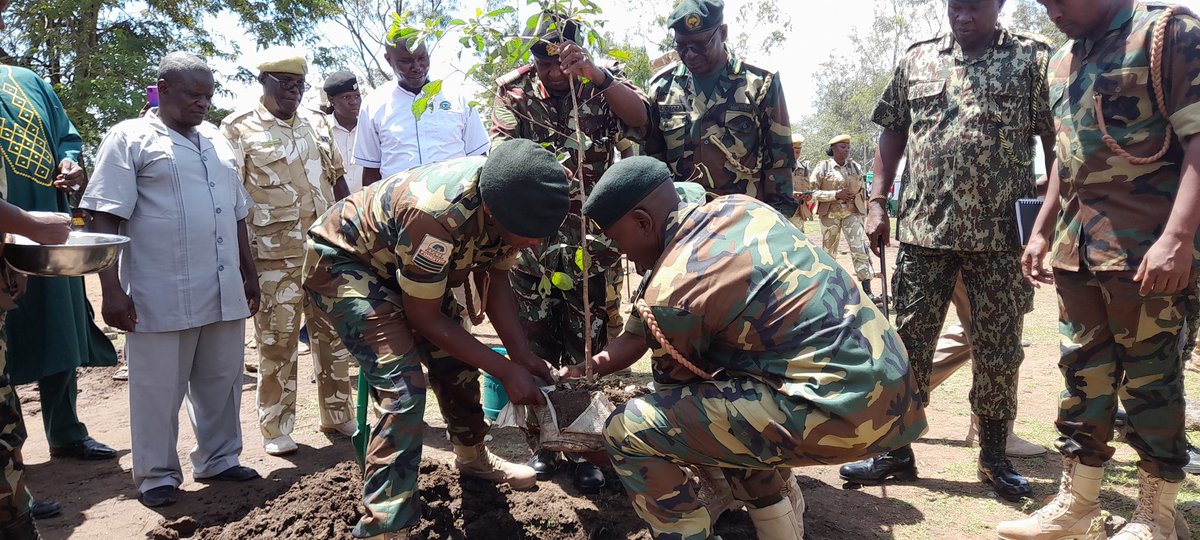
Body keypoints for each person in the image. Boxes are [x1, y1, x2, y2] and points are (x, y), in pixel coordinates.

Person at [569, 156, 926, 540]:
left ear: (643, 221)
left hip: (842, 418)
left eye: (618, 238)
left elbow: (679, 400)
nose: (622, 252)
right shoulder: (738, 208)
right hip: (896, 394)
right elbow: (645, 333)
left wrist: (598, 448)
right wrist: (585, 370)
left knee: (630, 429)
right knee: (724, 406)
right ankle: (780, 529)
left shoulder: (675, 288)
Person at [998, 1, 1200, 538]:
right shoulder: (1062, 59)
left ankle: (1156, 513)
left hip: (1146, 250)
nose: (1052, 10)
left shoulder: (1166, 33)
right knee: (1082, 376)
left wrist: (1178, 238)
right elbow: (1068, 154)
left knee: (1152, 380)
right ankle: (1078, 503)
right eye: (1042, 2)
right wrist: (1041, 228)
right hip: (1078, 248)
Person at [840, 0, 1056, 503]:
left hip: (1000, 239)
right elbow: (892, 131)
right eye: (955, 7)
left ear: (999, 6)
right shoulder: (917, 59)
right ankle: (897, 451)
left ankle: (994, 456)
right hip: (923, 233)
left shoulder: (1033, 60)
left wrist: (1045, 223)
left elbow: (1055, 140)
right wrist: (876, 201)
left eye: (976, 7)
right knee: (906, 344)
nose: (964, 16)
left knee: (1000, 350)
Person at [304, 139, 566, 539]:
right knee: (404, 389)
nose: (532, 244)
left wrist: (521, 356)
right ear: (494, 211)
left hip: (408, 268)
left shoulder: (513, 195)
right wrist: (505, 370)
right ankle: (384, 526)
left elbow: (496, 279)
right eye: (527, 237)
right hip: (349, 264)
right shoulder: (437, 217)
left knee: (458, 363)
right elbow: (422, 316)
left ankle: (473, 457)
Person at [83, 52, 263, 509]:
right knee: (158, 388)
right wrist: (111, 289)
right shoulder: (130, 138)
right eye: (192, 95)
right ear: (162, 89)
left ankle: (219, 459)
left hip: (222, 287)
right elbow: (103, 215)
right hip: (159, 290)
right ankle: (157, 475)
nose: (203, 104)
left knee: (221, 380)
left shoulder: (217, 141)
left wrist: (249, 272)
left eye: (208, 96)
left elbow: (238, 212)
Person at [489, 11, 649, 493]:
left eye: (561, 58)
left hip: (592, 241)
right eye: (543, 59)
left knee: (589, 338)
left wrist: (596, 75)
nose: (554, 70)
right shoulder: (512, 92)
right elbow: (499, 157)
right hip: (533, 239)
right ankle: (543, 445)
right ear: (532, 56)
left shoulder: (601, 84)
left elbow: (642, 121)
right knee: (536, 336)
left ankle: (585, 449)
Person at [221, 47, 354, 456]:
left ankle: (338, 413)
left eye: (299, 85)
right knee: (277, 343)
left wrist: (349, 241)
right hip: (272, 259)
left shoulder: (317, 123)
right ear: (263, 81)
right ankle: (276, 425)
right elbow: (233, 204)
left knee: (332, 336)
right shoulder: (238, 128)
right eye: (285, 85)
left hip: (323, 252)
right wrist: (245, 269)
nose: (293, 93)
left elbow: (338, 184)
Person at [0, 37, 119, 466]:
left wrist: (71, 164)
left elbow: (67, 138)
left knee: (57, 326)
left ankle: (65, 431)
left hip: (47, 234)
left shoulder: (26, 80)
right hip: (8, 230)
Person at [642, 0, 797, 218]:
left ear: (723, 33)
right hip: (685, 222)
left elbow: (779, 160)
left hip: (746, 221)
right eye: (682, 46)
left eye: (700, 45)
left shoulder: (760, 83)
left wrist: (779, 221)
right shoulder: (662, 88)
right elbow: (653, 161)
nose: (690, 54)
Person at [928, 274, 1046, 457]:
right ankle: (995, 432)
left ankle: (894, 396)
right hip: (989, 253)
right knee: (997, 332)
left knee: (981, 330)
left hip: (972, 251)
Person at [354, 31, 489, 186]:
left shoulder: (457, 96)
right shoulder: (374, 104)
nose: (417, 68)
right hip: (399, 207)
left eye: (422, 58)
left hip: (457, 204)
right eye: (406, 61)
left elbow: (479, 157)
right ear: (388, 59)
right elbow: (371, 172)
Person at [810, 134, 877, 302]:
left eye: (848, 147)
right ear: (833, 149)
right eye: (842, 147)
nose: (846, 150)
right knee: (828, 253)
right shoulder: (822, 168)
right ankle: (827, 289)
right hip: (830, 214)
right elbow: (812, 192)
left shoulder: (855, 167)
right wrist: (835, 194)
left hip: (851, 214)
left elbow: (862, 190)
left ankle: (867, 290)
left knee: (860, 248)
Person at [323, 71, 364, 194]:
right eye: (346, 97)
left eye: (357, 96)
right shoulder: (321, 130)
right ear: (331, 100)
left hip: (367, 204)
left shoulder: (369, 128)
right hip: (332, 206)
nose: (354, 102)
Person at [789, 134, 813, 227]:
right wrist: (790, 194)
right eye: (794, 151)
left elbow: (808, 189)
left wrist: (808, 198)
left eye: (798, 152)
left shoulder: (803, 169)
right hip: (780, 212)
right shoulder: (777, 167)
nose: (796, 155)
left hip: (798, 212)